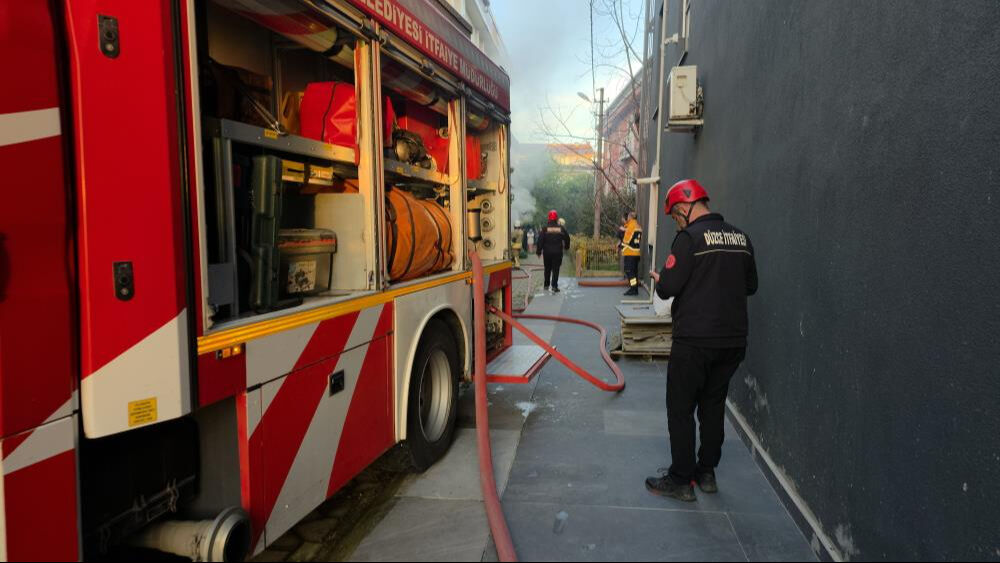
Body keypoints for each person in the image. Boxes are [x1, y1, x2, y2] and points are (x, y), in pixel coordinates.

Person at [645, 179, 758, 502]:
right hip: (733, 341)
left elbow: (668, 288)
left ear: (683, 208)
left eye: (674, 217)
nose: (676, 222)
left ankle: (681, 480)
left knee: (680, 408)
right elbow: (751, 286)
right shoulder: (741, 238)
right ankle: (706, 473)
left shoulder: (689, 239)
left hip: (695, 340)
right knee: (713, 405)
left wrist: (661, 280)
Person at [536, 210, 570, 292]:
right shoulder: (561, 229)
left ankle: (546, 285)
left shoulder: (544, 229)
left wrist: (538, 252)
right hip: (557, 253)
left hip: (547, 253)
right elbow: (567, 238)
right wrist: (566, 247)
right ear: (556, 218)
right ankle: (554, 286)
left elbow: (540, 240)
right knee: (556, 269)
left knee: (547, 269)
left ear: (549, 218)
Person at [621, 211, 642, 296]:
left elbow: (626, 240)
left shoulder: (631, 226)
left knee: (629, 272)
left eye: (628, 216)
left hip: (630, 253)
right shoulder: (638, 226)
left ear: (631, 217)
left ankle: (633, 289)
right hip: (636, 253)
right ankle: (634, 288)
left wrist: (621, 245)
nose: (627, 218)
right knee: (634, 272)